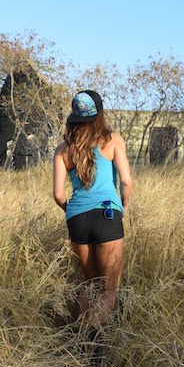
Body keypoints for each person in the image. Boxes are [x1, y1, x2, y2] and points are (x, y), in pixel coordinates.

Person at [53, 90, 133, 329]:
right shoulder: (113, 140)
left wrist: (72, 210)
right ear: (100, 113)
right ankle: (94, 341)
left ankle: (77, 338)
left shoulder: (63, 149)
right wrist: (124, 204)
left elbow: (58, 194)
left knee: (90, 284)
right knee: (109, 290)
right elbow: (127, 181)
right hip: (107, 214)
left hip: (76, 218)